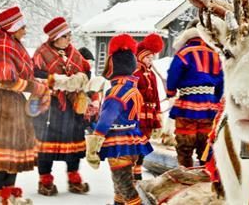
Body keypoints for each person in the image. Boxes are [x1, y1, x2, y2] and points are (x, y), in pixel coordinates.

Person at [0, 6, 50, 205]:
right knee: (0, 153)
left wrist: (40, 85)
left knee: (13, 152)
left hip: (11, 104)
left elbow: (20, 77)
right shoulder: (1, 47)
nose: (25, 30)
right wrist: (36, 88)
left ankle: (9, 194)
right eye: (22, 27)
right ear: (12, 28)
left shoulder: (13, 44)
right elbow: (5, 80)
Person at [86, 34, 153, 205]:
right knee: (121, 184)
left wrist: (94, 143)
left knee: (125, 186)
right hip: (133, 140)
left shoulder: (115, 92)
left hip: (118, 143)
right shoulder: (133, 89)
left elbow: (106, 118)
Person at [32, 17, 91, 196]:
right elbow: (34, 73)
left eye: (69, 35)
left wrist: (80, 78)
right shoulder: (41, 53)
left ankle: (74, 178)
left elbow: (86, 69)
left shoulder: (74, 53)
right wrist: (59, 81)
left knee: (73, 142)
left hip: (72, 107)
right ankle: (45, 180)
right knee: (46, 145)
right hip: (50, 106)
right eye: (65, 36)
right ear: (55, 38)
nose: (69, 39)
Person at [166, 20, 224, 168]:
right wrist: (215, 99)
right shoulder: (215, 55)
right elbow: (222, 80)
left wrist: (171, 91)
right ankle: (205, 171)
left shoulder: (184, 53)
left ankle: (186, 171)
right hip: (209, 105)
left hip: (188, 103)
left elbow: (173, 73)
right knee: (205, 142)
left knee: (185, 142)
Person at [132, 33, 164, 180]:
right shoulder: (136, 73)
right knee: (137, 142)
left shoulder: (151, 75)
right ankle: (133, 172)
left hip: (150, 114)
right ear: (140, 57)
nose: (150, 61)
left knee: (145, 142)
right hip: (139, 114)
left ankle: (138, 170)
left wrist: (158, 112)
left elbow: (156, 95)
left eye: (152, 58)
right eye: (147, 58)